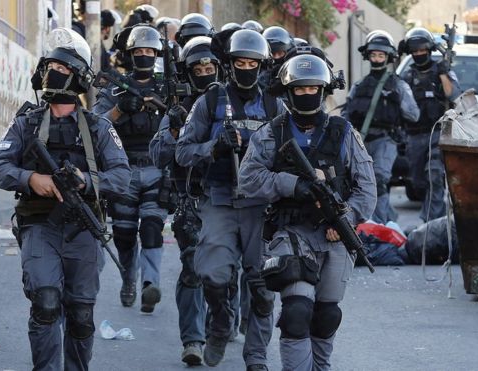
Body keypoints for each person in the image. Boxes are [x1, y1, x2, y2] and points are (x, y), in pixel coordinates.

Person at [0, 28, 130, 371]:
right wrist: (31, 178)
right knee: (46, 302)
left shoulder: (97, 127)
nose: (55, 73)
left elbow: (122, 177)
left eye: (64, 69)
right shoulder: (27, 123)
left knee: (81, 313)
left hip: (83, 228)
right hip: (39, 225)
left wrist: (86, 181)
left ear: (78, 77)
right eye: (51, 65)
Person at [238, 53, 377, 371]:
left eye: (314, 87)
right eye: (300, 89)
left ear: (325, 89)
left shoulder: (344, 134)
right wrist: (293, 185)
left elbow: (367, 190)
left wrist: (347, 219)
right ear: (288, 92)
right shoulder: (271, 134)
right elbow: (248, 180)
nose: (307, 94)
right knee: (297, 312)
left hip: (334, 236)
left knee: (326, 315)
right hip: (291, 233)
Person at [176, 29, 286, 370]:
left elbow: (296, 153)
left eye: (253, 63)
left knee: (264, 289)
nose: (246, 69)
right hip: (220, 200)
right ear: (229, 64)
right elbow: (182, 153)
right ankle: (221, 322)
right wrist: (214, 146)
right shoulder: (209, 102)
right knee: (212, 274)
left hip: (261, 205)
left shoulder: (275, 105)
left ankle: (256, 357)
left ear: (263, 65)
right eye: (240, 62)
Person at [149, 35, 219, 366]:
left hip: (229, 201)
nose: (205, 73)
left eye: (210, 67)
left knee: (222, 272)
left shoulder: (231, 104)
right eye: (198, 68)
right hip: (190, 201)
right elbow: (158, 154)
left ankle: (221, 322)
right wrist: (176, 133)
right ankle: (192, 338)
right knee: (192, 266)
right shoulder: (177, 110)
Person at [93, 25, 169, 313]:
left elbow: (183, 121)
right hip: (122, 170)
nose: (144, 56)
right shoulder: (115, 87)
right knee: (124, 234)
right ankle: (129, 279)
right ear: (130, 55)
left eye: (150, 51)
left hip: (156, 169)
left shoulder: (166, 87)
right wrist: (121, 109)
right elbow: (96, 125)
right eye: (139, 51)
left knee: (151, 228)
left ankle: (151, 284)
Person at [343, 30, 419, 223]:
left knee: (379, 180)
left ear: (388, 57)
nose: (377, 59)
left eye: (381, 55)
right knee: (358, 183)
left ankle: (380, 226)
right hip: (361, 140)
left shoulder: (398, 85)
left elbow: (413, 114)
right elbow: (347, 113)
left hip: (386, 140)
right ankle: (378, 221)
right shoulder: (359, 85)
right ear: (368, 56)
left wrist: (393, 104)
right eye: (374, 55)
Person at [398, 27, 460, 222]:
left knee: (434, 174)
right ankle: (432, 214)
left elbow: (453, 95)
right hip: (414, 135)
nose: (418, 55)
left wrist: (443, 73)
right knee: (418, 181)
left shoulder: (442, 70)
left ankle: (432, 220)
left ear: (429, 50)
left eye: (422, 51)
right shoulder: (407, 77)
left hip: (438, 131)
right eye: (414, 52)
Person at [259, 26, 294, 91]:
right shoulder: (258, 71)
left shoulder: (294, 72)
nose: (276, 57)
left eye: (280, 53)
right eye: (272, 54)